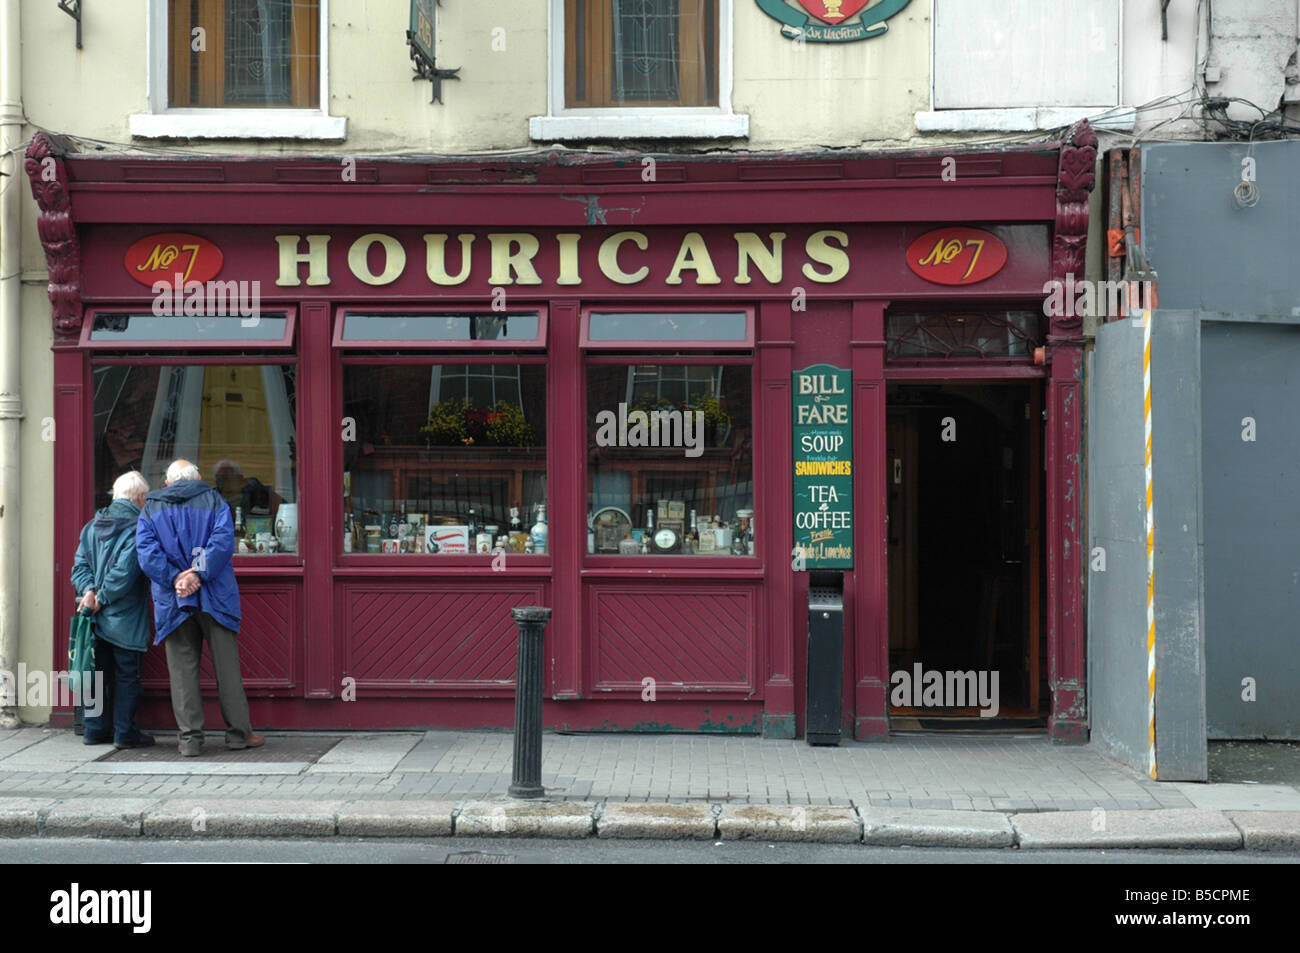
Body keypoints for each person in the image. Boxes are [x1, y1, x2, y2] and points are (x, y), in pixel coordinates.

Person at [136, 458, 264, 757]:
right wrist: (197, 573)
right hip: (215, 595)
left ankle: (190, 740)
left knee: (182, 671)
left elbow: (146, 553)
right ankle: (238, 735)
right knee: (227, 669)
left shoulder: (151, 508)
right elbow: (221, 543)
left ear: (167, 482)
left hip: (173, 598)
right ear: (198, 478)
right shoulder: (214, 500)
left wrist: (176, 578)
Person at [70, 471, 155, 749]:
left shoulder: (92, 526)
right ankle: (125, 733)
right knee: (127, 675)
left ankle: (94, 730)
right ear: (141, 498)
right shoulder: (138, 527)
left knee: (96, 672)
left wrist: (89, 593)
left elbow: (79, 566)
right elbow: (125, 572)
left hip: (93, 617)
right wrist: (101, 597)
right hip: (126, 617)